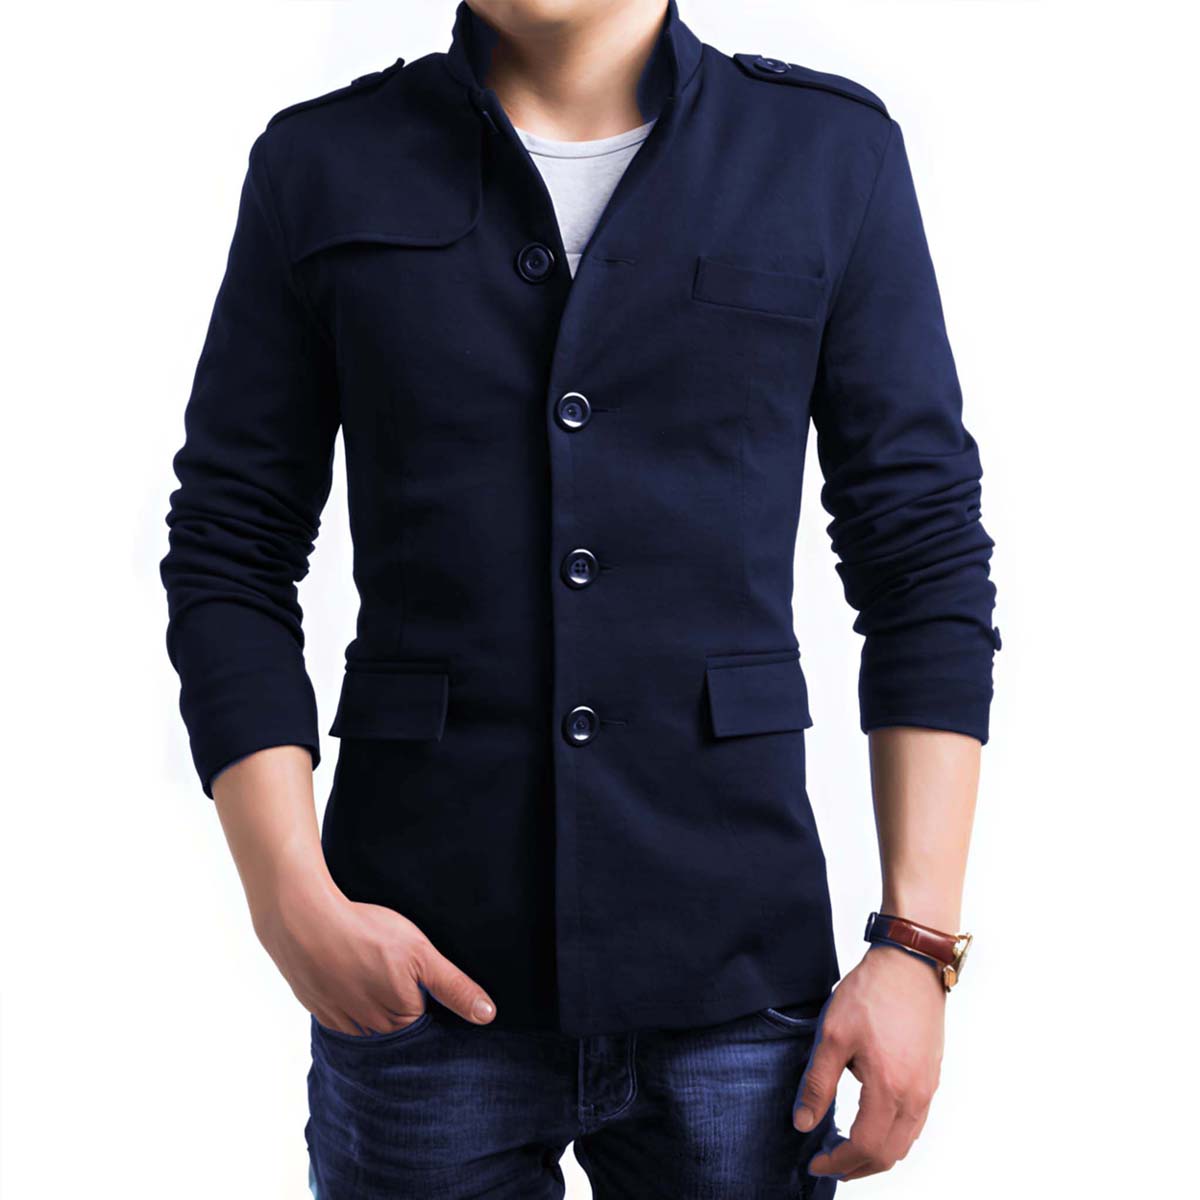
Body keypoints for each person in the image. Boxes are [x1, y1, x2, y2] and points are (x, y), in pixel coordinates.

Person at [160, 1, 1000, 1195]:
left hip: (741, 971)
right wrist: (287, 896)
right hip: (416, 965)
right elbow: (231, 546)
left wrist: (916, 945)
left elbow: (919, 553)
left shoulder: (826, 155)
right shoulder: (323, 162)